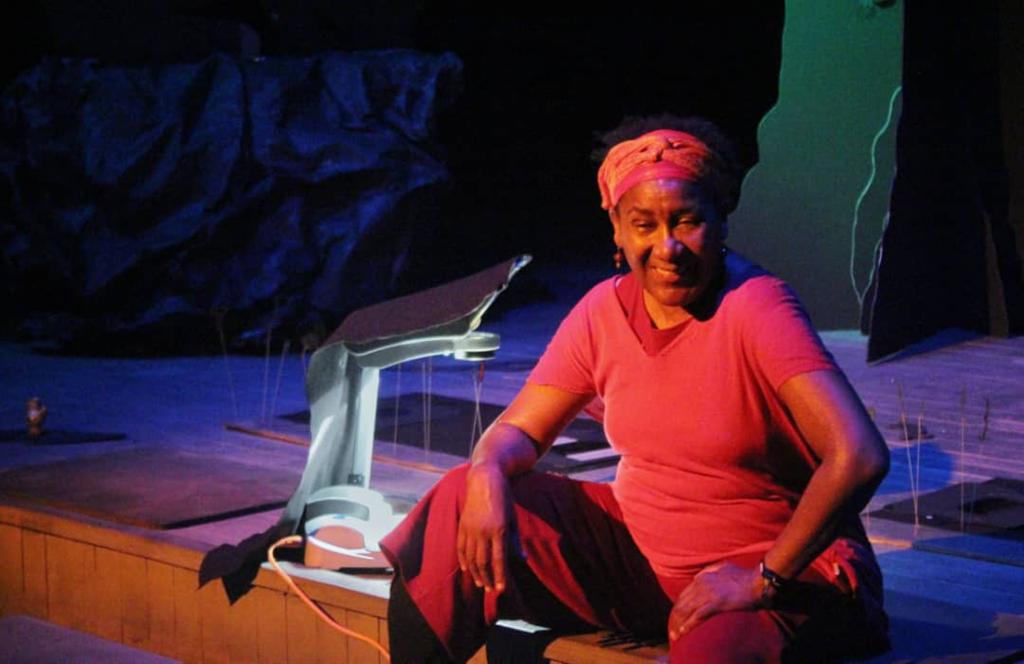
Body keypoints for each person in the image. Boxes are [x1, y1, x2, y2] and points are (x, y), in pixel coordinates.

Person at [380, 115, 891, 663]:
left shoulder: (756, 306)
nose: (667, 246)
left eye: (687, 221)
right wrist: (486, 470)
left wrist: (763, 578)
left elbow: (858, 455)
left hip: (776, 575)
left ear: (720, 222)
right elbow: (520, 431)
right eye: (644, 225)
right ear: (618, 233)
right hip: (646, 565)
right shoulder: (603, 311)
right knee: (460, 499)